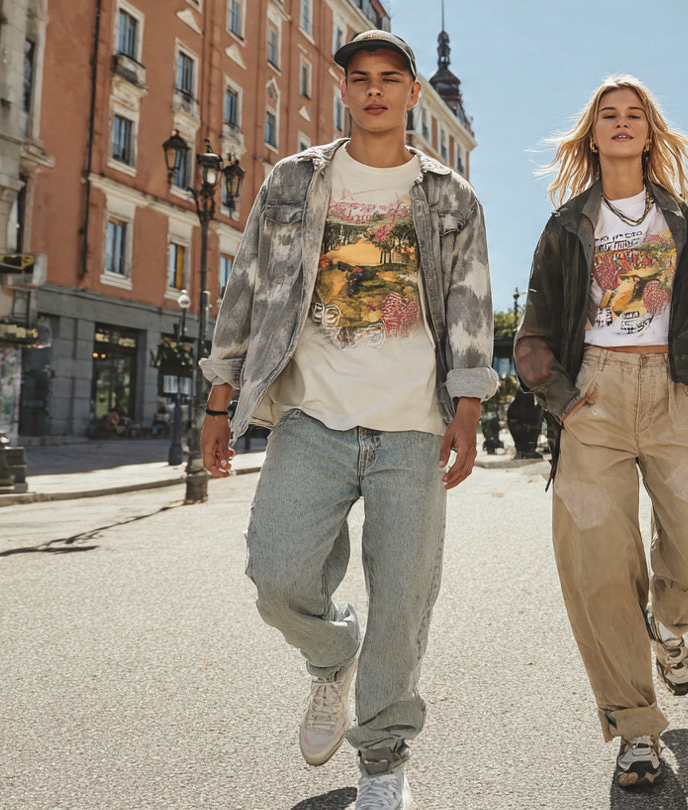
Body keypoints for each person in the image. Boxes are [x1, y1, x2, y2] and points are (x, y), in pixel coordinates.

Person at [198, 30, 495, 810]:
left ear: (410, 96)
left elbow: (469, 308)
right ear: (345, 89)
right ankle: (333, 655)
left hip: (411, 428)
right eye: (359, 79)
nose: (374, 92)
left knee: (403, 598)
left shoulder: (451, 197)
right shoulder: (295, 180)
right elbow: (249, 288)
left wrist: (467, 410)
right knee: (277, 574)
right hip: (312, 417)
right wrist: (219, 398)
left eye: (390, 80)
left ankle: (384, 759)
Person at [514, 74, 688, 790]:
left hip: (679, 391)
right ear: (591, 134)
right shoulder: (566, 228)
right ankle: (634, 728)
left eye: (634, 114)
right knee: (595, 568)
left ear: (650, 131)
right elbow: (533, 329)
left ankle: (671, 624)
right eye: (607, 115)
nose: (621, 123)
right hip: (595, 393)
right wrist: (562, 398)